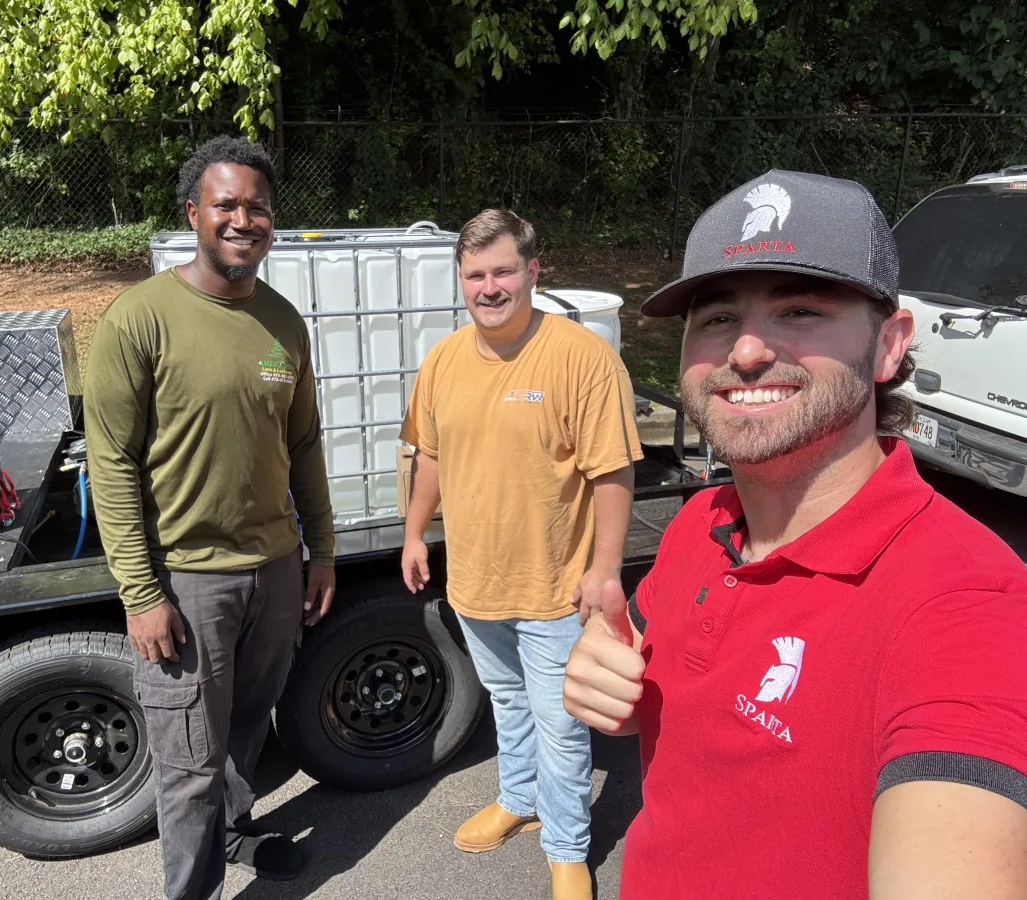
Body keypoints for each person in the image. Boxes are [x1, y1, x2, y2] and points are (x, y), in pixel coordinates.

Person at [562, 169, 1027, 899]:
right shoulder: (701, 521)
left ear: (889, 345)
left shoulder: (967, 603)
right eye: (717, 318)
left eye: (801, 310)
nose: (746, 351)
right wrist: (607, 675)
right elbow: (654, 685)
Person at [85, 135, 336, 900]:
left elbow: (303, 444)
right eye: (226, 204)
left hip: (274, 570)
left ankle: (233, 833)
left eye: (258, 207)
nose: (243, 219)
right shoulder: (139, 320)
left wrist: (321, 551)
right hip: (187, 582)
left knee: (245, 728)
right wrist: (141, 593)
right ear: (193, 212)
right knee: (188, 761)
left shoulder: (283, 322)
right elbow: (112, 464)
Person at [399, 209, 644, 900]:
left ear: (534, 271)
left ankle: (567, 849)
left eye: (503, 271)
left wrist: (604, 570)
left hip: (554, 586)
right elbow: (431, 454)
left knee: (560, 724)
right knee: (507, 701)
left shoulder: (580, 358)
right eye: (475, 275)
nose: (489, 287)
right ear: (460, 280)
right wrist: (415, 532)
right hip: (476, 579)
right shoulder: (444, 359)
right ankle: (520, 799)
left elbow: (613, 471)